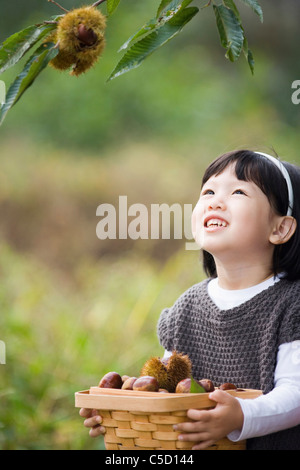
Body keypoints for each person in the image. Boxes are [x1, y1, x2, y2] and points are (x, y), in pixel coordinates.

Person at [80, 149, 300, 450]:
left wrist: (241, 416)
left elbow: (296, 392)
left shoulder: (292, 303)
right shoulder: (187, 307)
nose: (215, 200)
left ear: (280, 228)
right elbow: (169, 389)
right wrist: (124, 410)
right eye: (208, 191)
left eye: (238, 192)